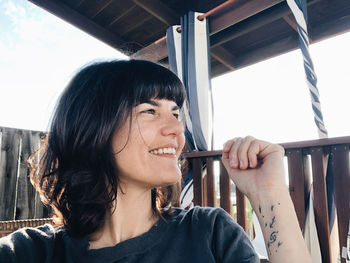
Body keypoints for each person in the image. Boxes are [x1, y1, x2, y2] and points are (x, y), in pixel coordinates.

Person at [0, 59, 311, 263]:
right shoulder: (30, 252)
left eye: (176, 113)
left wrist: (269, 193)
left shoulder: (209, 232)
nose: (177, 129)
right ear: (93, 129)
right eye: (149, 111)